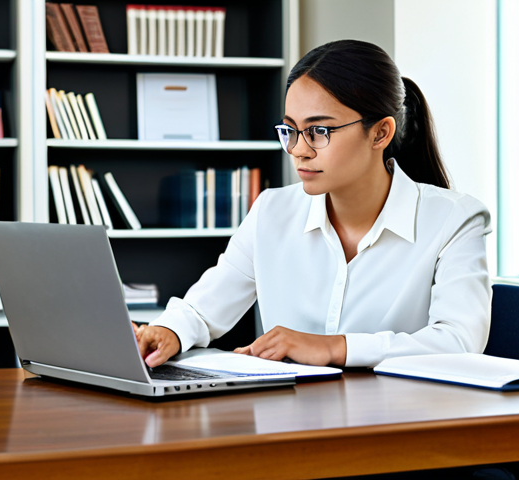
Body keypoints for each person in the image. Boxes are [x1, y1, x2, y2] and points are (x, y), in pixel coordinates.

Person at [134, 39, 492, 369]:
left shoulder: (455, 220)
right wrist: (169, 332)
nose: (298, 150)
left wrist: (334, 347)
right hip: (291, 418)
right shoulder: (271, 211)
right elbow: (203, 309)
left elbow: (460, 342)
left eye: (319, 131)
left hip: (398, 421)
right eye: (290, 130)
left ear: (380, 133)